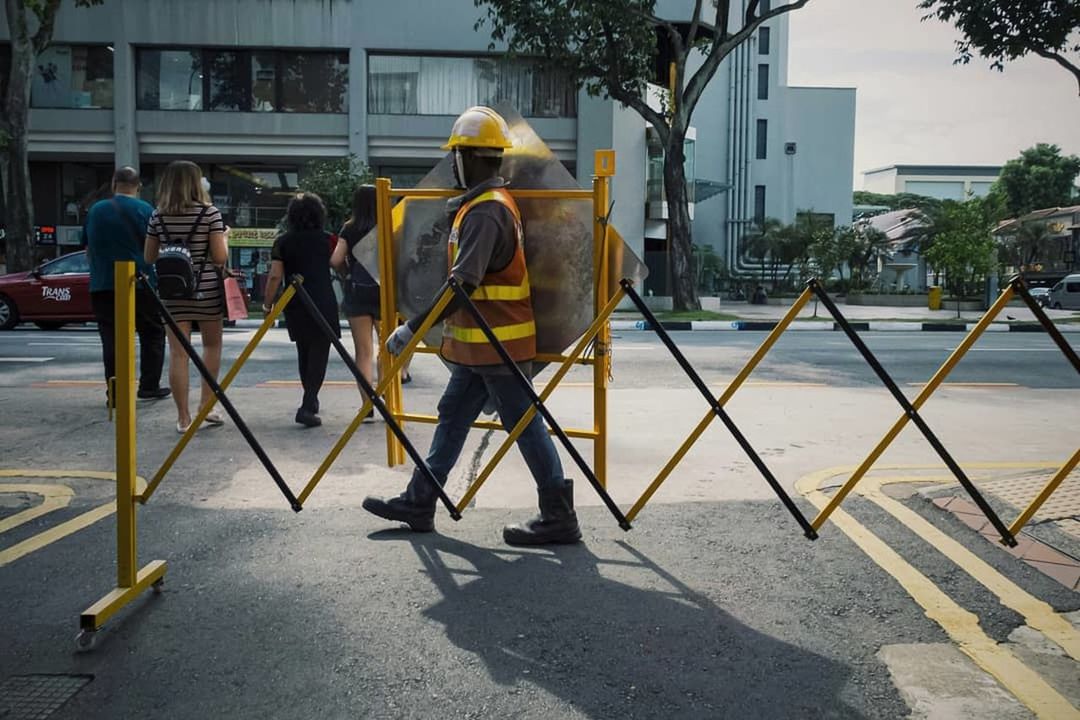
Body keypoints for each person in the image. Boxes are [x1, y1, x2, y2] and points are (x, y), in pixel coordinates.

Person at [362, 106, 580, 546]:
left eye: (456, 155)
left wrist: (412, 330)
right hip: (479, 348)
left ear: (471, 158)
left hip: (498, 346)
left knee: (524, 424)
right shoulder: (479, 206)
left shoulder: (486, 211)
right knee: (454, 415)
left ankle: (558, 514)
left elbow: (461, 286)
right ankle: (420, 500)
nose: (453, 164)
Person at [144, 161, 229, 434]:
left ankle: (183, 417)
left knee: (178, 354)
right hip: (206, 290)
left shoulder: (158, 216)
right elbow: (219, 257)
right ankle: (207, 406)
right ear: (196, 183)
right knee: (212, 347)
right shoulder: (209, 214)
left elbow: (148, 257)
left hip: (172, 292)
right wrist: (224, 237)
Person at [85, 166, 169, 405]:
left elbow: (88, 248)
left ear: (113, 183)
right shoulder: (146, 210)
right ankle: (149, 386)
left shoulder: (96, 211)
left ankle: (115, 393)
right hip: (140, 284)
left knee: (111, 339)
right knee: (152, 333)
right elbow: (156, 248)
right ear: (138, 186)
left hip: (102, 284)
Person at [263, 193, 340, 428]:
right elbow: (339, 265)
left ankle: (311, 399)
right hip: (323, 300)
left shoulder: (283, 242)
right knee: (319, 352)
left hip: (295, 301)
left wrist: (268, 304)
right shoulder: (328, 240)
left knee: (304, 351)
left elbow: (276, 275)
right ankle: (308, 405)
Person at [331, 186, 383, 410]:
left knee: (363, 351)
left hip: (357, 291)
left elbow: (335, 260)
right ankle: (389, 400)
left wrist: (346, 274)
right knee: (388, 348)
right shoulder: (388, 225)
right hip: (384, 293)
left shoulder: (349, 228)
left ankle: (367, 403)